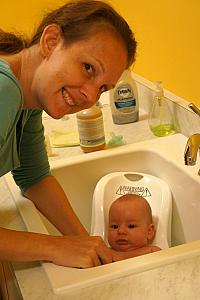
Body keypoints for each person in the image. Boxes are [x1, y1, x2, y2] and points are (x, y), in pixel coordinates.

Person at [0, 0, 137, 268]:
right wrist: (53, 246)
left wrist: (88, 246)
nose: (89, 95)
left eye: (102, 88)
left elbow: (35, 178)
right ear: (51, 41)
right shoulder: (3, 90)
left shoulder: (26, 99)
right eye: (88, 68)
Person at [107, 194, 161, 261]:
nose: (121, 231)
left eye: (131, 226)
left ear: (149, 231)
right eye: (115, 226)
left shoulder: (152, 252)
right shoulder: (103, 253)